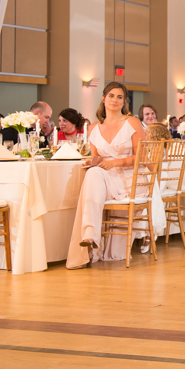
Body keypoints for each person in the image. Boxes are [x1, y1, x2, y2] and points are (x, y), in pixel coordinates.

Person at [66, 82, 147, 268]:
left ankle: (90, 234)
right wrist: (92, 162)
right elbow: (96, 157)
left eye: (120, 97)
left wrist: (113, 163)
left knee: (94, 175)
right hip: (105, 177)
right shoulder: (93, 127)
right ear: (103, 99)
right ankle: (90, 235)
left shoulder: (132, 122)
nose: (115, 100)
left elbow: (141, 156)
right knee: (93, 172)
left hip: (129, 178)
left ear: (124, 101)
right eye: (111, 96)